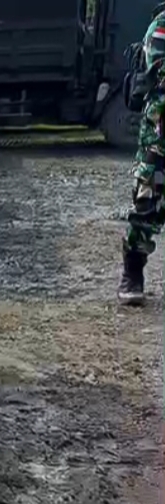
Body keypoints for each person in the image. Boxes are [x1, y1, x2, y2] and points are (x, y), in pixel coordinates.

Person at [120, 2, 165, 306]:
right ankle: (132, 274)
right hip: (159, 137)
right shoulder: (161, 25)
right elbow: (158, 68)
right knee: (147, 203)